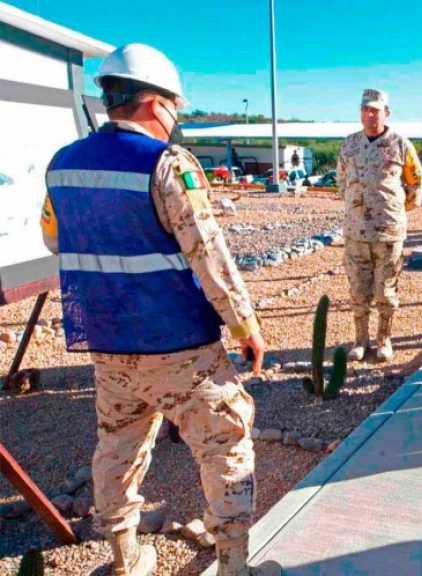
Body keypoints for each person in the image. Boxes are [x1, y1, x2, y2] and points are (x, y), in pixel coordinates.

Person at [40, 44, 281, 576]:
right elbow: (208, 253)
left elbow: (54, 239)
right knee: (225, 445)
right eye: (175, 106)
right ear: (155, 103)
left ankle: (126, 558)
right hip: (178, 344)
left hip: (107, 342)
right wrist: (245, 326)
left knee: (117, 450)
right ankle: (234, 567)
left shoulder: (62, 164)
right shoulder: (168, 163)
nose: (175, 117)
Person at [337, 88, 422, 362]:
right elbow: (341, 181)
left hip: (388, 232)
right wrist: (354, 207)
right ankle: (360, 340)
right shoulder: (349, 144)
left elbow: (416, 182)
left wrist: (395, 209)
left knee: (386, 291)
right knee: (358, 291)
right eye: (365, 109)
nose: (370, 114)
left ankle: (384, 340)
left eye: (375, 110)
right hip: (355, 232)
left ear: (386, 112)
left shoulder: (400, 144)